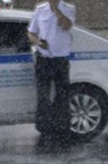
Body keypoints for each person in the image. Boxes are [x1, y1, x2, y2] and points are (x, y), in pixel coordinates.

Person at [27, 0, 76, 139]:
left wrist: (55, 9)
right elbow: (31, 32)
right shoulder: (40, 9)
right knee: (43, 95)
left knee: (62, 94)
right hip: (44, 58)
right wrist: (38, 42)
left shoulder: (68, 8)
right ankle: (45, 127)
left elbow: (66, 25)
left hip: (60, 59)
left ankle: (61, 126)